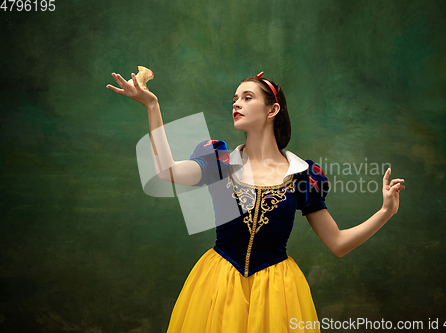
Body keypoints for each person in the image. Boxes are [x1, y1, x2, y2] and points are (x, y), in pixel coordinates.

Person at [106, 71, 405, 332]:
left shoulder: (302, 175)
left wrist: (385, 211)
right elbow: (167, 170)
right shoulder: (219, 160)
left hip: (278, 295)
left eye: (247, 97)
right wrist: (152, 106)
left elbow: (338, 243)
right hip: (218, 286)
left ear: (273, 109)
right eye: (235, 98)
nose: (236, 103)